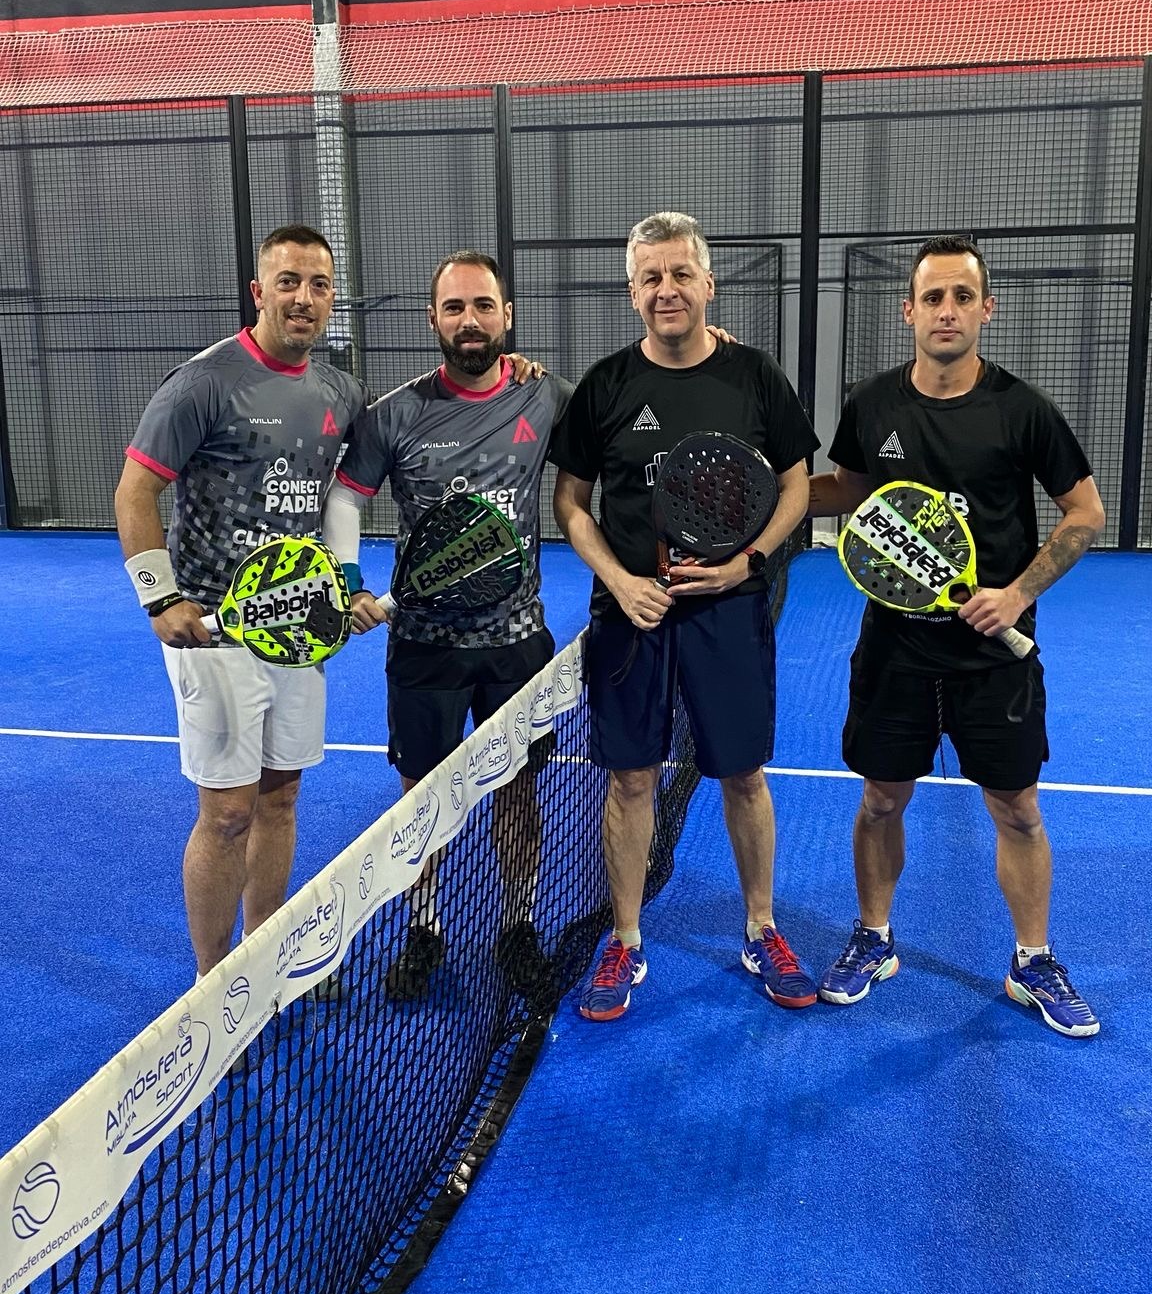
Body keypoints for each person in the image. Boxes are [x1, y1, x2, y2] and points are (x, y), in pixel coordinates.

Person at [810, 234, 1106, 1036]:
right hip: (894, 651)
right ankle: (874, 938)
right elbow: (851, 491)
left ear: (986, 309)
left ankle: (1032, 961)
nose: (948, 311)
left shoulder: (1023, 410)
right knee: (880, 799)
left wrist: (1017, 594)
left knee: (1018, 810)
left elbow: (1085, 511)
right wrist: (768, 497)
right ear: (907, 311)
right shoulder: (872, 404)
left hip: (991, 659)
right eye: (933, 297)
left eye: (962, 297)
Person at [550, 210, 817, 1021]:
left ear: (708, 283)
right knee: (631, 778)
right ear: (633, 292)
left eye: (679, 274)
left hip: (729, 611)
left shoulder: (755, 376)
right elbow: (570, 504)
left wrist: (749, 561)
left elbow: (797, 485)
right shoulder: (605, 386)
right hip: (630, 617)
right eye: (650, 277)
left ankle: (761, 927)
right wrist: (618, 579)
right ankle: (625, 938)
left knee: (742, 772)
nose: (666, 289)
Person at [114, 224, 364, 981]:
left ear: (331, 300)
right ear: (259, 292)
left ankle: (260, 963)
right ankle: (212, 985)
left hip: (298, 631)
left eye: (318, 285)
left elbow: (345, 494)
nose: (304, 298)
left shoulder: (340, 393)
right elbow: (135, 492)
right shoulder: (202, 383)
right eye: (288, 282)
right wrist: (160, 599)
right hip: (214, 635)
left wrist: (343, 585)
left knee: (281, 799)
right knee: (227, 812)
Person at [321, 250, 573, 997]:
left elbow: (616, 435)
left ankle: (518, 926)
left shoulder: (545, 396)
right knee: (420, 797)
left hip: (517, 646)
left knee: (517, 793)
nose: (470, 320)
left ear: (507, 316)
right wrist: (349, 582)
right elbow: (346, 497)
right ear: (433, 319)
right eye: (455, 307)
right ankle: (424, 928)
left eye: (483, 306)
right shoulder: (394, 413)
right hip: (423, 648)